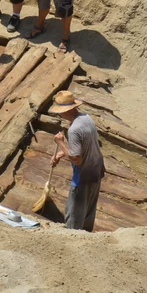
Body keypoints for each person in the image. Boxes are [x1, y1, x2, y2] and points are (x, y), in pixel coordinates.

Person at [49, 91, 106, 232]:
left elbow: (77, 159)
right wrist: (61, 154)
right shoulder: (86, 118)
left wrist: (60, 143)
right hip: (96, 171)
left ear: (64, 111)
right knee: (88, 212)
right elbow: (83, 146)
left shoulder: (74, 129)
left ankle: (73, 240)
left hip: (83, 176)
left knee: (74, 216)